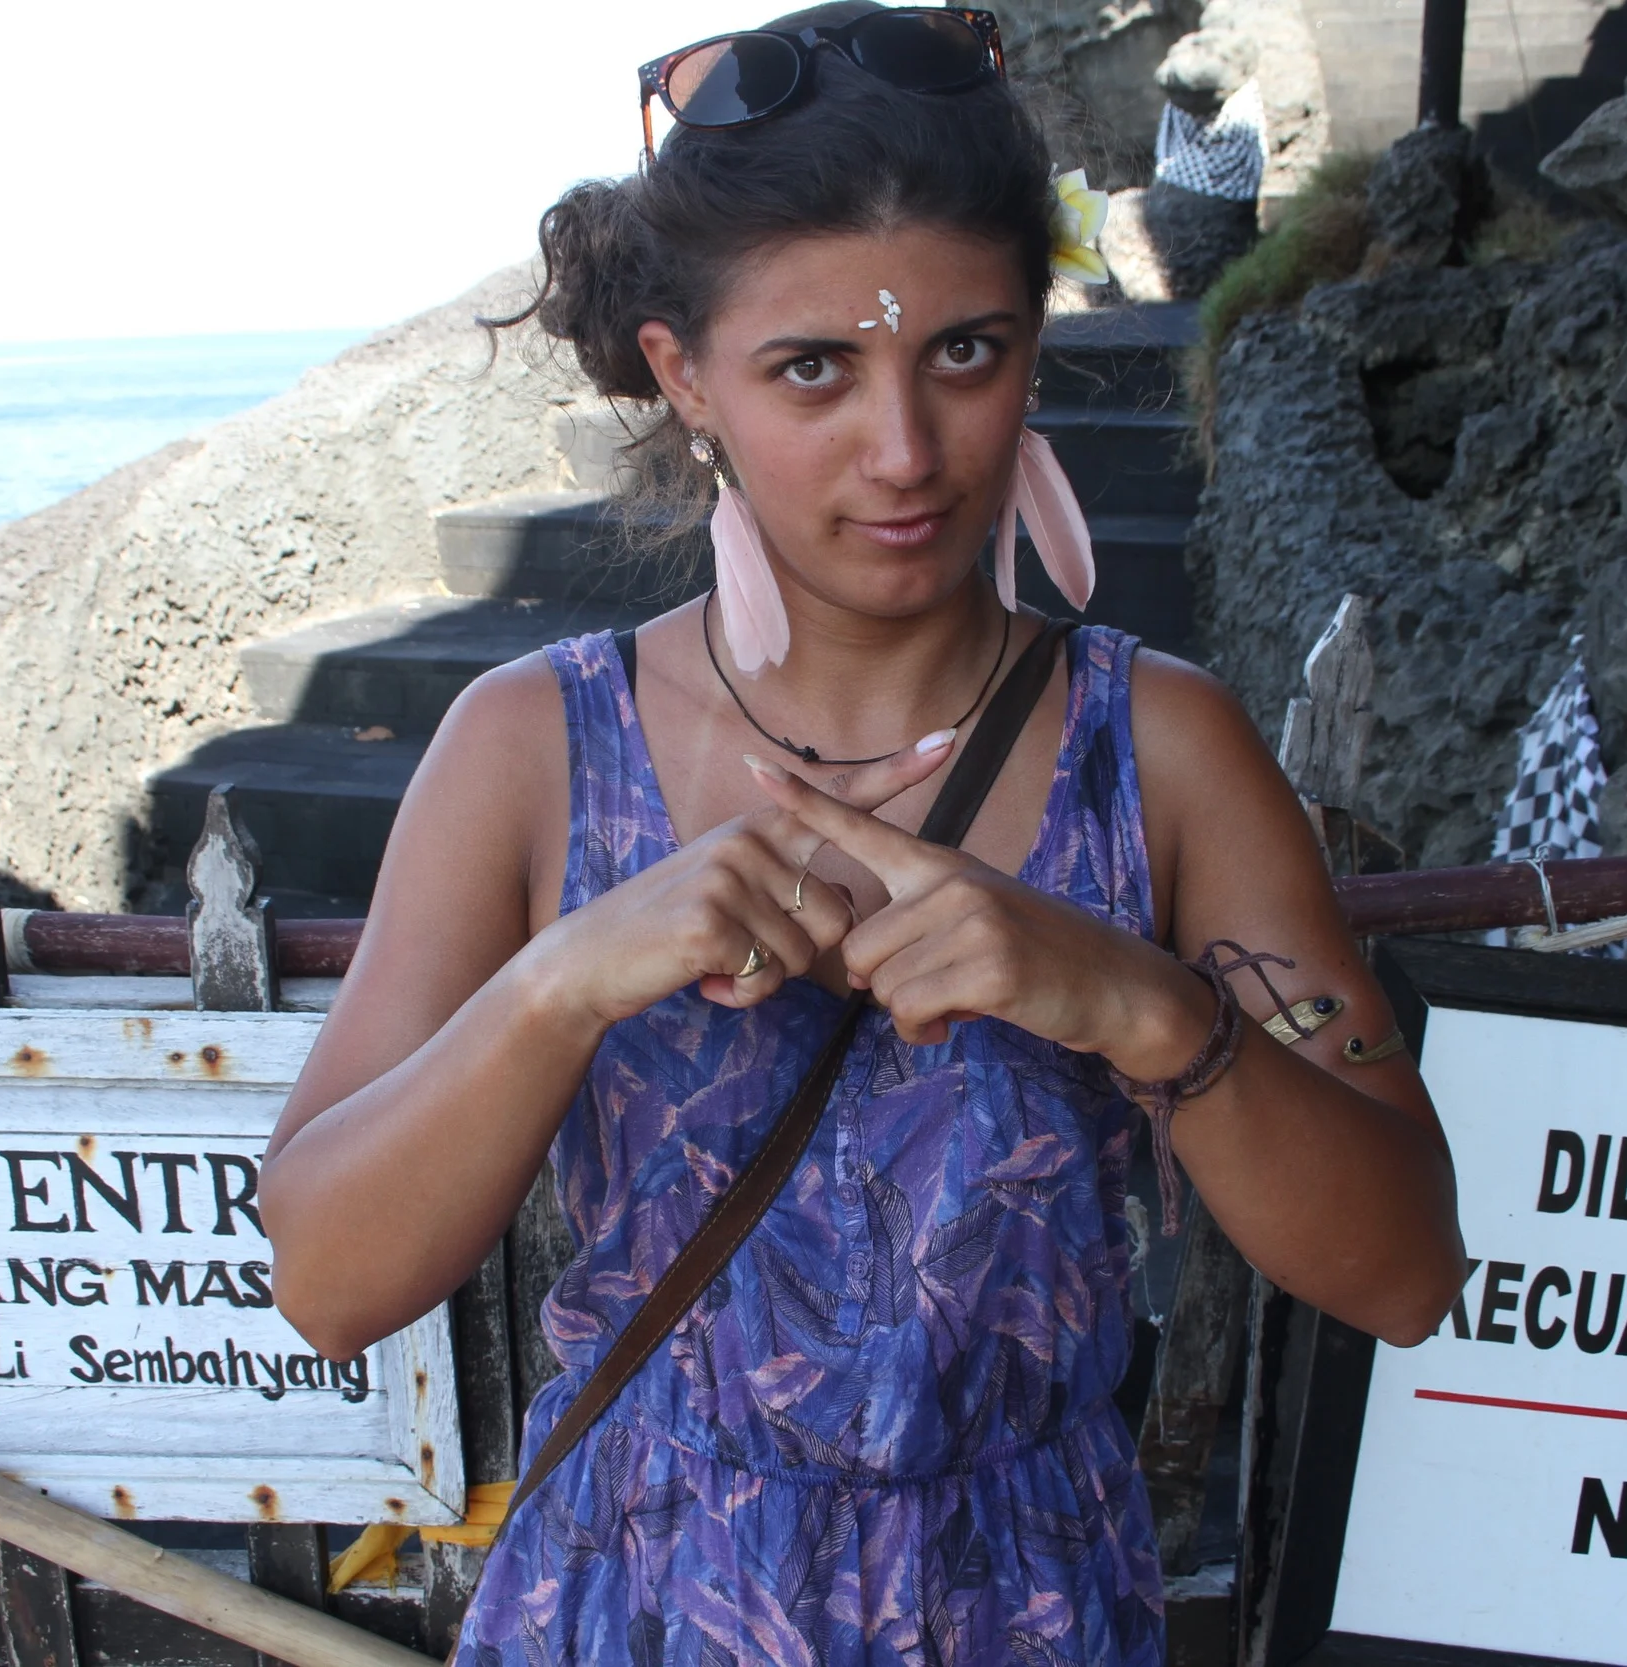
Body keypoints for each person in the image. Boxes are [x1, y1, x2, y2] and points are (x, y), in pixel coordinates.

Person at [260, 5, 1466, 1659]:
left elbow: (1404, 1272)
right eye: (813, 367)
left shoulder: (1161, 753)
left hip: (1023, 1602)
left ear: (1034, 342)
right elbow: (327, 1276)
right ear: (684, 374)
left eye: (963, 351)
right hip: (640, 1596)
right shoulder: (539, 749)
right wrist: (563, 980)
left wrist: (1135, 1003)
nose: (903, 451)